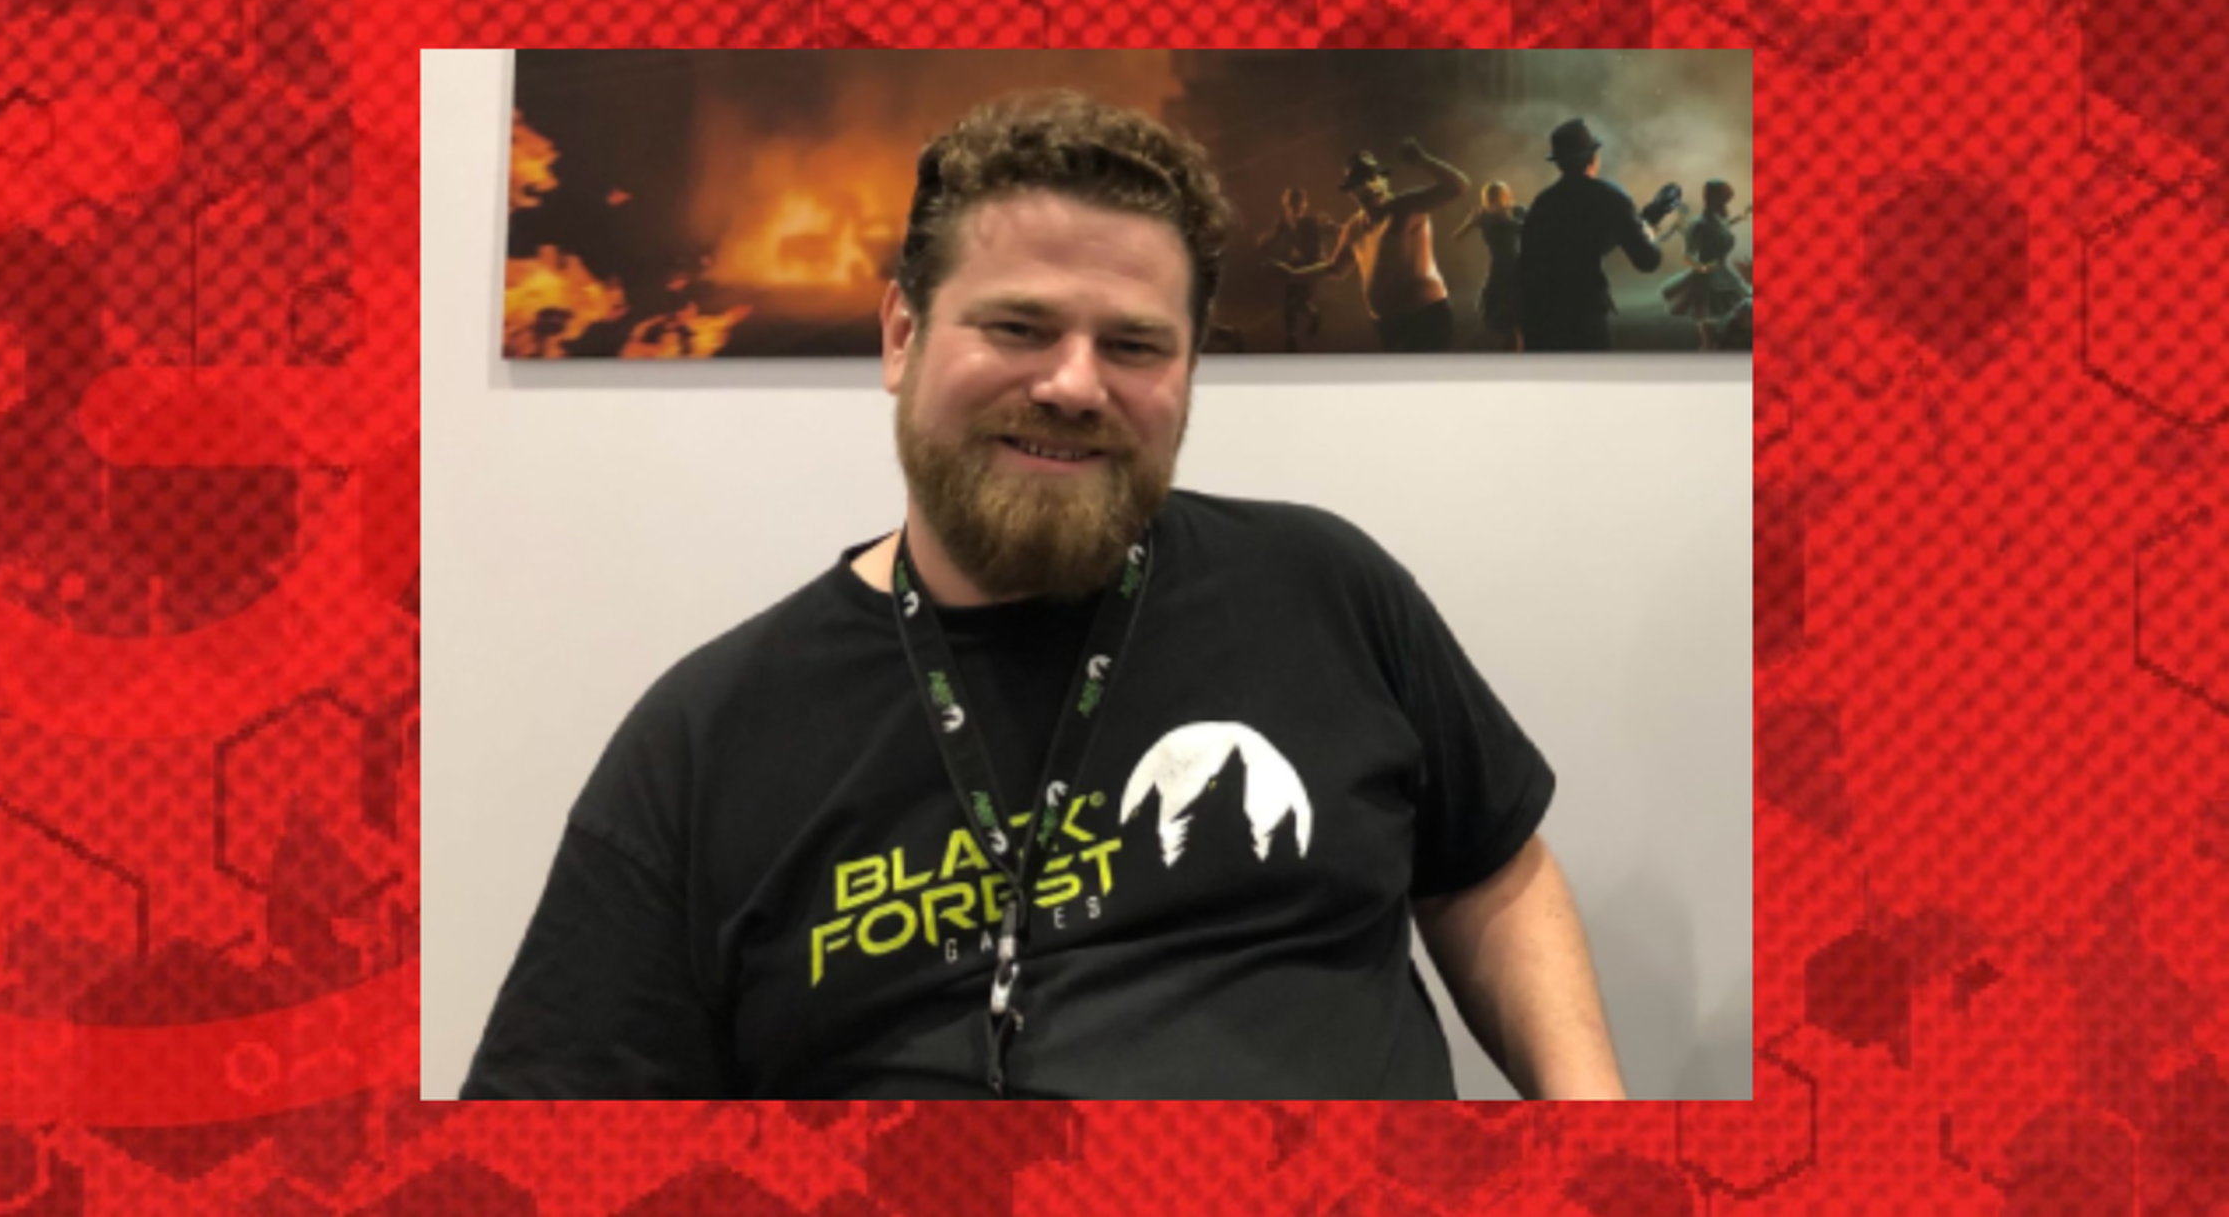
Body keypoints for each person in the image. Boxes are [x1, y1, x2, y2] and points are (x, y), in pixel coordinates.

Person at [461, 90, 1626, 1100]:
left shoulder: (1329, 585)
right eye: (1019, 326)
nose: (1075, 383)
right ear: (902, 335)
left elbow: (1494, 870)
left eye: (1135, 344)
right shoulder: (708, 739)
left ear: (1188, 371)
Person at [1272, 139, 1471, 353]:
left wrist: (1423, 160)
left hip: (1425, 318)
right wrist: (1293, 275)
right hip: (1387, 326)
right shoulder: (1354, 227)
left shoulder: (1405, 207)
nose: (1368, 185)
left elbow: (1458, 187)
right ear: (1351, 191)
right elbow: (1336, 269)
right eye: (1359, 181)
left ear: (1384, 179)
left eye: (1373, 177)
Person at [1517, 119, 1665, 352]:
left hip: (1540, 320)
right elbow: (1647, 261)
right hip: (1584, 318)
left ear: (1559, 163)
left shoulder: (1543, 202)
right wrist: (1647, 231)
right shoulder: (1612, 197)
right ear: (1593, 158)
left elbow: (1533, 261)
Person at [1658, 180, 1753, 351]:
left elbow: (1722, 226)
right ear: (1715, 200)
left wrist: (1741, 217)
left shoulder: (1716, 221)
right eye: (1724, 200)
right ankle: (1709, 352)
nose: (1726, 205)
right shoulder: (1699, 225)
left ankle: (1719, 346)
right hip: (1707, 280)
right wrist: (1701, 268)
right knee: (1709, 330)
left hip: (1725, 274)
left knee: (1740, 313)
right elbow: (1687, 255)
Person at [1453, 180, 1530, 351]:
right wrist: (1470, 222)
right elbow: (1457, 236)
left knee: (1521, 322)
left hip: (1518, 269)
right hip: (1501, 272)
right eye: (1492, 199)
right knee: (1508, 325)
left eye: (1499, 198)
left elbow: (1532, 230)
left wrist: (1509, 219)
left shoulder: (1517, 211)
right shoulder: (1484, 216)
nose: (1496, 203)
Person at [1258, 186, 1331, 352]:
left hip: (1311, 266)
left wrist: (1329, 225)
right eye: (1291, 202)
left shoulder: (1311, 222)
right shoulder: (1283, 222)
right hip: (1296, 264)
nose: (1295, 207)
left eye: (1298, 202)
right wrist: (1264, 243)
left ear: (1304, 204)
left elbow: (1321, 239)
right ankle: (1291, 337)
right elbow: (1272, 237)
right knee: (1290, 302)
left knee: (1300, 302)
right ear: (1285, 203)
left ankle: (1314, 315)